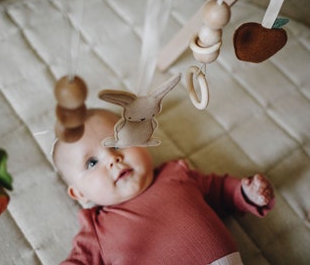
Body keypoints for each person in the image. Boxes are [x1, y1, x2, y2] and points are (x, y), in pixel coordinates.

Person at [53, 108, 275, 265]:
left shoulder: (176, 174)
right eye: (92, 163)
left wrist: (246, 193)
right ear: (79, 193)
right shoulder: (96, 230)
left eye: (117, 143)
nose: (113, 159)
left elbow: (218, 192)